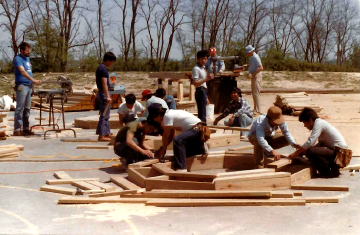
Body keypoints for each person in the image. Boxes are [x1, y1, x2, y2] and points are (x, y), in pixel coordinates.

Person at [288, 108, 351, 178]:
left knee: (310, 152)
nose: (304, 125)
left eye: (304, 122)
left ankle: (328, 172)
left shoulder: (319, 124)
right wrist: (303, 150)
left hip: (341, 155)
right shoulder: (320, 123)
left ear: (310, 120)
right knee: (309, 151)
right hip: (338, 154)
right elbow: (320, 144)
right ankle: (333, 169)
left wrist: (295, 154)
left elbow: (310, 142)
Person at [148, 103, 210, 172]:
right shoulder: (170, 114)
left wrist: (163, 151)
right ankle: (201, 147)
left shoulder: (167, 116)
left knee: (179, 141)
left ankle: (181, 169)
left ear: (158, 115)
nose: (155, 120)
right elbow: (171, 136)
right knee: (183, 154)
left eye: (154, 118)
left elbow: (165, 135)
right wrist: (162, 148)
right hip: (198, 130)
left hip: (198, 130)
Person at [13, 42, 41, 136]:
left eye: (30, 51)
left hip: (29, 86)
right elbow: (23, 72)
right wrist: (33, 80)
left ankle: (25, 128)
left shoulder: (27, 59)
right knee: (20, 108)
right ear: (22, 50)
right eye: (27, 51)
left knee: (27, 108)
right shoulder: (18, 59)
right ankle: (17, 129)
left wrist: (33, 83)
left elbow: (29, 71)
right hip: (22, 86)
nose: (29, 53)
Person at [95, 52, 116, 141]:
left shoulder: (101, 68)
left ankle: (107, 133)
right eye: (112, 62)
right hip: (104, 93)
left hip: (102, 92)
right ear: (108, 60)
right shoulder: (103, 70)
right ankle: (101, 135)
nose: (112, 64)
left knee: (106, 114)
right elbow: (104, 84)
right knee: (104, 115)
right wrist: (107, 96)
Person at [192, 50, 214, 122]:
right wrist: (207, 79)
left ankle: (202, 128)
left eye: (205, 58)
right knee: (202, 114)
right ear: (198, 59)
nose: (204, 60)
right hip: (200, 91)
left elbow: (204, 84)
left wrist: (206, 97)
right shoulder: (196, 69)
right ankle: (201, 129)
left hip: (203, 91)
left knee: (204, 112)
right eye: (202, 59)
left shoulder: (203, 68)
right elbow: (195, 83)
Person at [245, 45, 263, 114]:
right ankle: (255, 109)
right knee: (254, 93)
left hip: (256, 75)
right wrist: (248, 66)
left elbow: (261, 68)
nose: (247, 54)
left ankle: (258, 110)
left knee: (256, 93)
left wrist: (253, 74)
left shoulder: (255, 57)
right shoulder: (252, 57)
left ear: (251, 51)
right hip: (254, 75)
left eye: (247, 53)